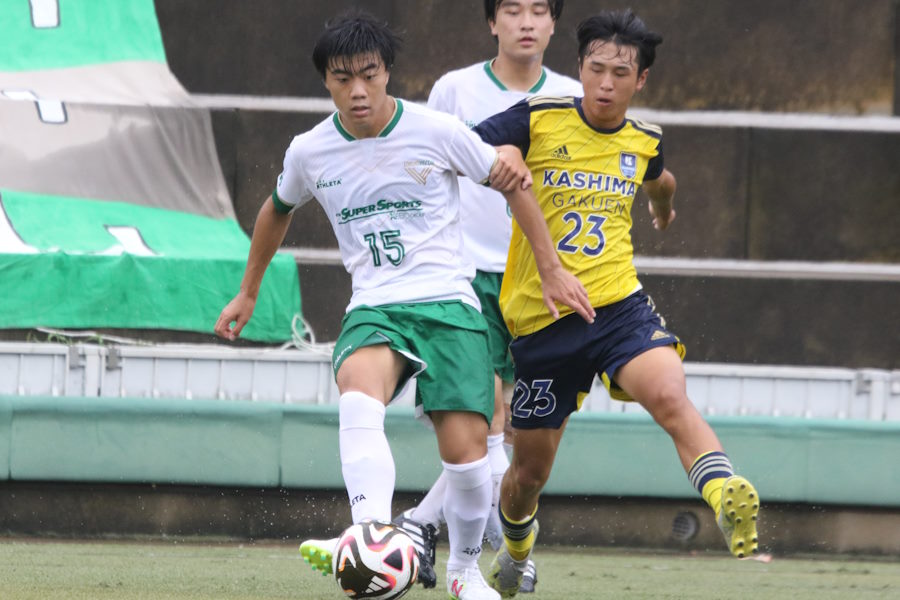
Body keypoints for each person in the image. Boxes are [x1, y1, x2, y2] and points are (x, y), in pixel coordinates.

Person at [213, 12, 592, 600]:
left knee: (469, 462)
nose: (358, 90)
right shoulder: (310, 150)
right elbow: (277, 208)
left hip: (449, 304)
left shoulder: (435, 129)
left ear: (387, 71)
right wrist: (249, 289)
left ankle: (464, 572)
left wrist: (550, 269)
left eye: (369, 74)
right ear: (327, 82)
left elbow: (512, 181)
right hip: (376, 305)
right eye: (343, 79)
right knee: (358, 391)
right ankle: (370, 533)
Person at [471, 10, 762, 596]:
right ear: (578, 69)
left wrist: (660, 209)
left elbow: (661, 179)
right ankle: (517, 553)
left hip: (618, 306)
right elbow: (472, 145)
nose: (606, 83)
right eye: (596, 69)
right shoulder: (536, 117)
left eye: (620, 73)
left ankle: (725, 489)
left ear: (641, 80)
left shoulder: (644, 139)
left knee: (669, 394)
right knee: (528, 473)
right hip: (542, 322)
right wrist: (503, 158)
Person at [391, 1, 582, 594]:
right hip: (467, 275)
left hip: (540, 281)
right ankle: (485, 558)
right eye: (512, 9)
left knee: (522, 431)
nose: (526, 21)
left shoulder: (575, 96)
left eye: (539, 11)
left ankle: (420, 525)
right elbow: (423, 166)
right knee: (490, 418)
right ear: (491, 22)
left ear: (554, 25)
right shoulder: (455, 90)